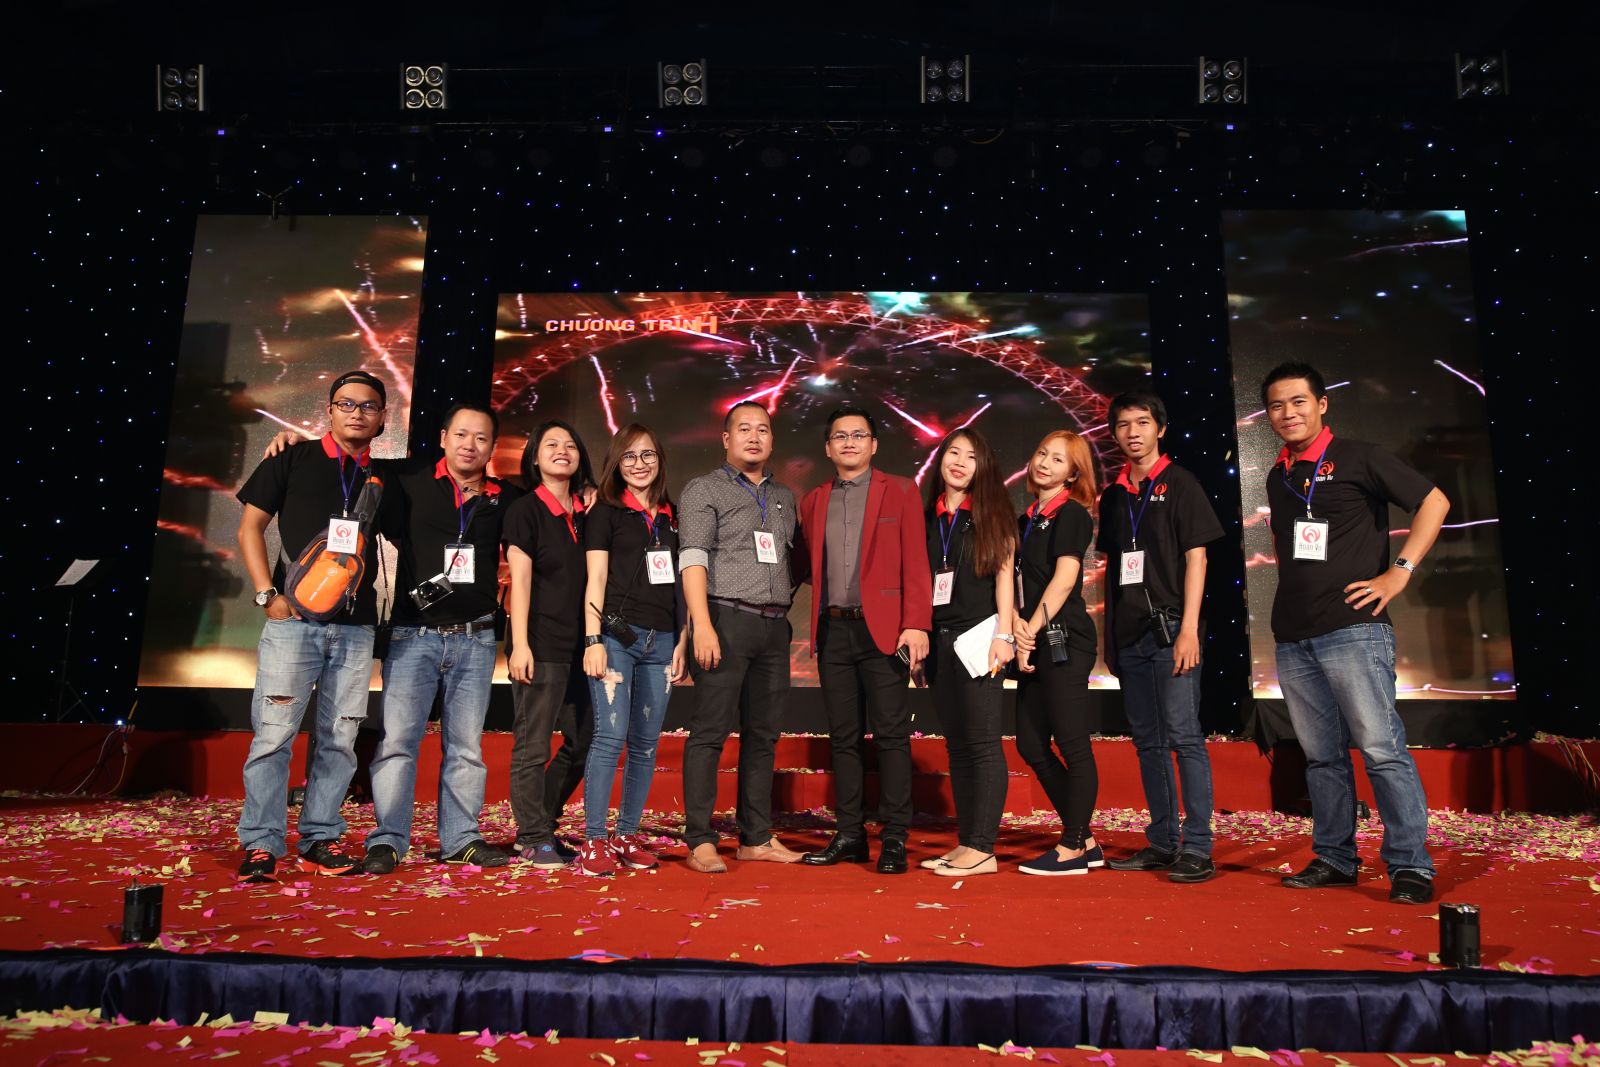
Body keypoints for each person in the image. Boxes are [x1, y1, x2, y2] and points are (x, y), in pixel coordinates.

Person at [1261, 362, 1449, 905]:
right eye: (1276, 405)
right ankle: (1336, 858)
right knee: (1322, 757)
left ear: (1322, 405)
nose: (1288, 413)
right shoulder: (1279, 475)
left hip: (1354, 630)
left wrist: (1399, 571)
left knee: (1381, 750)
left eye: (1298, 401)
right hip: (1294, 634)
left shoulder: (1361, 457)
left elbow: (1435, 501)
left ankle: (1410, 865)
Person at [235, 370, 391, 879]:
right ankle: (261, 842)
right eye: (347, 404)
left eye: (368, 406)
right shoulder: (291, 458)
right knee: (273, 736)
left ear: (383, 418)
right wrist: (267, 595)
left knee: (340, 739)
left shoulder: (385, 477)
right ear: (329, 410)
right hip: (293, 622)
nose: (357, 413)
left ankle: (320, 836)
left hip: (355, 626)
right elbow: (250, 528)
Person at [358, 403, 519, 874]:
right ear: (444, 438)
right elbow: (350, 459)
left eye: (481, 438)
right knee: (397, 743)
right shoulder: (408, 481)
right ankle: (388, 840)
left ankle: (461, 839)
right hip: (414, 635)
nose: (470, 445)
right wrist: (292, 445)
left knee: (466, 747)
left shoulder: (506, 497)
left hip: (476, 638)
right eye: (461, 435)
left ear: (492, 447)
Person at [1097, 392, 1225, 884]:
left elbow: (1198, 558)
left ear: (1161, 429)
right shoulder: (1114, 496)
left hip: (1173, 632)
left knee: (1185, 737)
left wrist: (1190, 628)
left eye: (1143, 422)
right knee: (1148, 743)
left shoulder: (1181, 483)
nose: (1133, 432)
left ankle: (1198, 847)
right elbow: (1113, 571)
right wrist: (1110, 640)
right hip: (1130, 636)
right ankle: (1163, 842)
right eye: (1123, 424)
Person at [797, 407, 932, 875]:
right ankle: (850, 835)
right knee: (844, 738)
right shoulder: (813, 500)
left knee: (891, 736)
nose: (849, 442)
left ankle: (894, 838)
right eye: (841, 436)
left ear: (873, 444)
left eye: (859, 435)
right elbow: (806, 567)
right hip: (834, 630)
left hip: (887, 631)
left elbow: (916, 561)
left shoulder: (901, 490)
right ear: (828, 447)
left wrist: (916, 623)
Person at [677, 400, 805, 873]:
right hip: (724, 619)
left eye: (763, 429)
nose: (754, 437)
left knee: (763, 736)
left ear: (772, 440)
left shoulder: (783, 496)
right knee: (710, 733)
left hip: (773, 627)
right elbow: (692, 557)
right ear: (726, 439)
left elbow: (791, 562)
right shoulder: (704, 489)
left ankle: (756, 837)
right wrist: (702, 624)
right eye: (744, 429)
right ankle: (700, 839)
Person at [576, 424, 690, 877]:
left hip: (662, 642)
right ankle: (594, 840)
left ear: (660, 459)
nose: (639, 464)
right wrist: (592, 641)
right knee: (609, 738)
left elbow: (681, 584)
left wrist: (682, 639)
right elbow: (596, 579)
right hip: (616, 639)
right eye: (629, 456)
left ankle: (626, 835)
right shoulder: (605, 512)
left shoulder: (671, 516)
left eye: (648, 455)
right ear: (616, 463)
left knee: (645, 745)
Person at [917, 428, 1016, 877]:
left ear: (983, 466)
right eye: (952, 452)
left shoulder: (993, 513)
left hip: (980, 639)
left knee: (983, 743)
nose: (959, 462)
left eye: (970, 456)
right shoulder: (927, 517)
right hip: (939, 642)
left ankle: (983, 848)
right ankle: (967, 843)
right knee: (957, 746)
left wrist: (1005, 635)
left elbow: (1005, 578)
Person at [502, 419, 596, 869]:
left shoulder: (589, 509)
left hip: (586, 646)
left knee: (586, 739)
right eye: (551, 444)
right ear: (535, 458)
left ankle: (543, 819)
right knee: (533, 745)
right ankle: (532, 836)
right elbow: (519, 582)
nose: (562, 450)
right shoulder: (525, 510)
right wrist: (520, 644)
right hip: (540, 642)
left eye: (570, 444)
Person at [1012, 430, 1104, 876]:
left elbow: (1065, 580)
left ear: (1073, 473)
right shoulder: (1026, 518)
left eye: (1059, 459)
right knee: (1030, 743)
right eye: (1042, 453)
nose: (1045, 463)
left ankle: (1072, 847)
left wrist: (1027, 631)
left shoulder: (1072, 514)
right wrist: (1015, 625)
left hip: (1063, 638)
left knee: (1072, 743)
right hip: (1032, 637)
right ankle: (1085, 837)